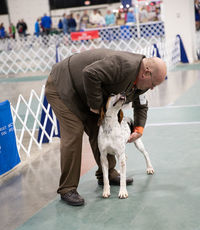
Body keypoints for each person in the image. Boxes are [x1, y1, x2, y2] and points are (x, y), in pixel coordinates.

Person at [45, 49, 167, 206]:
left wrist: (139, 128)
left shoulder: (143, 80)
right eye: (153, 84)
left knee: (101, 129)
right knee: (74, 133)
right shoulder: (123, 66)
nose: (152, 89)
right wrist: (96, 107)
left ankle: (107, 174)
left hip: (86, 92)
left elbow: (141, 104)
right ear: (146, 73)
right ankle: (67, 188)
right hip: (63, 86)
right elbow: (89, 73)